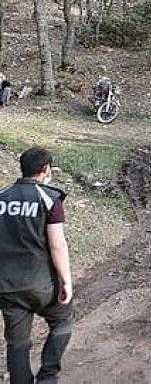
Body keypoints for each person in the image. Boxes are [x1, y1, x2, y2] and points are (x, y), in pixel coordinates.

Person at [0, 147, 74, 384]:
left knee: (17, 343)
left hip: (7, 287)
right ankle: (48, 376)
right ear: (45, 170)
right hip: (42, 285)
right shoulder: (50, 198)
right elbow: (57, 246)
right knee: (63, 320)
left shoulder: (2, 197)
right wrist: (66, 281)